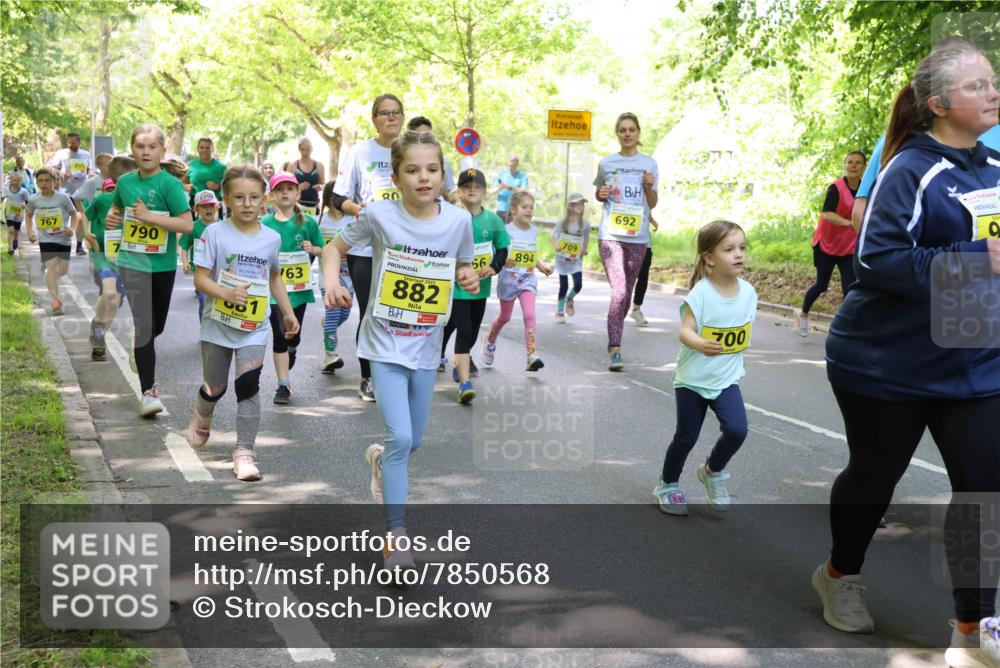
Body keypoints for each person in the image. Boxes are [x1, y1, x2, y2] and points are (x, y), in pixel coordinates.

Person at [813, 46, 1000, 668]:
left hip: (974, 362)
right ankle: (840, 574)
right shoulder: (909, 169)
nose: (994, 92)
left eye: (993, 81)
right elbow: (875, 261)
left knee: (984, 493)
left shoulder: (996, 164)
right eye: (978, 86)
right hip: (887, 363)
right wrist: (977, 261)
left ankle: (971, 633)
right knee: (874, 478)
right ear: (941, 104)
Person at [321, 131, 478, 572]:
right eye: (412, 170)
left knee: (414, 441)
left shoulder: (458, 222)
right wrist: (333, 282)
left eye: (431, 169)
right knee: (402, 437)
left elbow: (463, 265)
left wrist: (467, 277)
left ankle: (380, 460)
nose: (423, 178)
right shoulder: (379, 215)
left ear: (443, 175)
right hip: (384, 343)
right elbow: (335, 247)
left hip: (427, 346)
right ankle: (395, 537)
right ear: (396, 175)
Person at [188, 165, 299, 481]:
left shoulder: (272, 239)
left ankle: (245, 452)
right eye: (239, 197)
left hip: (254, 326)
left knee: (248, 387)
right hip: (217, 326)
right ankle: (203, 414)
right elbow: (200, 278)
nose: (247, 204)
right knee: (216, 386)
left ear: (264, 199)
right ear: (226, 199)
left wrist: (288, 312)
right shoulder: (214, 233)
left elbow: (274, 277)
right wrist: (225, 293)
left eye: (254, 197)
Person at [651, 220, 756, 515]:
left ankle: (712, 471)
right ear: (709, 258)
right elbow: (685, 331)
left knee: (737, 430)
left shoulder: (748, 292)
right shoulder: (701, 293)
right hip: (692, 380)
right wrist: (699, 343)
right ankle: (667, 485)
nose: (739, 254)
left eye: (742, 248)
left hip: (726, 379)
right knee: (686, 437)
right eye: (729, 249)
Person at [105, 123, 194, 417]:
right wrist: (112, 219)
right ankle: (149, 392)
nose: (145, 152)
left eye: (151, 147)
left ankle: (137, 344)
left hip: (163, 264)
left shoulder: (169, 184)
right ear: (132, 150)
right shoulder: (125, 182)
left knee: (157, 327)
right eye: (140, 147)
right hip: (132, 262)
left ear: (162, 151)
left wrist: (151, 217)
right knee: (145, 327)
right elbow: (115, 210)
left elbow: (186, 224)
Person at [332, 93, 405, 402]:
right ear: (374, 120)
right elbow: (338, 199)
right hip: (365, 247)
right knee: (371, 312)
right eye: (384, 113)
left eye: (396, 112)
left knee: (401, 314)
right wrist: (359, 208)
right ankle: (368, 377)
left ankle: (395, 370)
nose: (391, 117)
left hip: (403, 248)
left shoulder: (411, 150)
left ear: (403, 117)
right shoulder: (360, 151)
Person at [594, 112, 659, 371]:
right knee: (619, 291)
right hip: (610, 235)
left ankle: (614, 328)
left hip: (638, 237)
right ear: (617, 133)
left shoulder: (650, 164)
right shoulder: (607, 163)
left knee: (627, 292)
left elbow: (653, 203)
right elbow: (599, 193)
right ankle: (616, 347)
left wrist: (648, 187)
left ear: (638, 133)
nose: (628, 133)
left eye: (632, 129)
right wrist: (601, 193)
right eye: (623, 130)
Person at [441, 168, 509, 403]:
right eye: (467, 186)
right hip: (456, 286)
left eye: (477, 186)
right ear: (459, 191)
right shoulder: (450, 218)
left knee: (470, 332)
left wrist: (494, 266)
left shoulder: (493, 220)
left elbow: (502, 249)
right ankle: (463, 381)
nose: (472, 190)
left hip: (480, 286)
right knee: (465, 329)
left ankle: (455, 359)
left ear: (484, 192)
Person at [262, 171, 324, 404]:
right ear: (272, 196)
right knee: (279, 334)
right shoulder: (265, 224)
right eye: (279, 189)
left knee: (293, 337)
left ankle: (293, 350)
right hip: (273, 291)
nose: (285, 192)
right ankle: (283, 385)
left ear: (298, 193)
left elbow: (323, 249)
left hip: (299, 290)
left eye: (290, 188)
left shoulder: (306, 223)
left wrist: (313, 249)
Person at [794, 151, 866, 336]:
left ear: (864, 167)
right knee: (822, 285)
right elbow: (827, 214)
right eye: (850, 162)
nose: (853, 166)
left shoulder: (866, 189)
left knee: (849, 287)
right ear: (845, 165)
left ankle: (844, 327)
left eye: (858, 163)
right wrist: (849, 223)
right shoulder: (835, 188)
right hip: (826, 244)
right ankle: (802, 314)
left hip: (848, 247)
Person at [482, 191, 553, 372]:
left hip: (527, 280)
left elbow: (530, 253)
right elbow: (496, 252)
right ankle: (490, 339)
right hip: (509, 281)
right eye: (524, 207)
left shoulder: (534, 231)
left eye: (532, 207)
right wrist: (502, 260)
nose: (529, 211)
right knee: (504, 317)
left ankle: (531, 355)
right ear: (513, 209)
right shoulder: (506, 231)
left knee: (530, 315)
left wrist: (540, 265)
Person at [79, 173, 125, 362]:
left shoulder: (131, 204)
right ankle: (98, 333)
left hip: (125, 259)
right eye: (109, 190)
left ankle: (99, 336)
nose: (110, 194)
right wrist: (87, 234)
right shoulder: (99, 201)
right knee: (109, 295)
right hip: (102, 255)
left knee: (113, 301)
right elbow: (84, 216)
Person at [25, 168, 76, 315]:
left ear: (54, 181)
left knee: (62, 271)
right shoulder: (34, 199)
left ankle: (49, 274)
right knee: (52, 269)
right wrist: (30, 233)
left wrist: (72, 229)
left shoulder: (63, 198)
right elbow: (28, 217)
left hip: (63, 239)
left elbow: (74, 215)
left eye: (47, 180)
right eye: (40, 181)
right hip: (46, 239)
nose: (44, 183)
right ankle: (55, 302)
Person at [317, 182, 353, 374]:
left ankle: (328, 325)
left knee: (344, 313)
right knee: (333, 310)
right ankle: (329, 354)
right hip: (328, 276)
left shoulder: (351, 221)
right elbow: (315, 247)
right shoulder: (320, 221)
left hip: (349, 275)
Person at [178, 190, 222, 322]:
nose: (208, 209)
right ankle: (205, 327)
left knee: (219, 301)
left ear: (217, 206)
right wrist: (185, 262)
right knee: (204, 299)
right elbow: (185, 246)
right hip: (201, 272)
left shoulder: (223, 227)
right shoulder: (193, 227)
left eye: (211, 205)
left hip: (220, 271)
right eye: (204, 206)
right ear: (196, 208)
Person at [49, 131, 92, 254]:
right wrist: (61, 174)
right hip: (64, 191)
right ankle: (59, 244)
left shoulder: (86, 154)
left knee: (80, 218)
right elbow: (52, 169)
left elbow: (89, 170)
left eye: (73, 142)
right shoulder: (61, 154)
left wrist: (89, 175)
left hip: (80, 191)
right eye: (68, 142)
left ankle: (79, 246)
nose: (70, 144)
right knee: (63, 218)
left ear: (79, 142)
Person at [551, 193, 591, 324]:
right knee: (564, 285)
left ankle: (570, 298)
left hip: (576, 259)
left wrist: (585, 248)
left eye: (582, 204)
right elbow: (553, 236)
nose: (580, 206)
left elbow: (586, 238)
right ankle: (559, 311)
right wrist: (556, 245)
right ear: (570, 206)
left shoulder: (585, 224)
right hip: (562, 259)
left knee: (578, 284)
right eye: (577, 204)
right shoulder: (562, 223)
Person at [406, 116, 456, 198]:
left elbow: (450, 193)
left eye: (429, 136)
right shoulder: (403, 162)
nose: (426, 140)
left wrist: (441, 190)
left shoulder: (444, 162)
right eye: (421, 136)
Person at [631, 216, 659, 326]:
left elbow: (646, 208)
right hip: (626, 240)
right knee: (626, 276)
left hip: (644, 242)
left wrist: (652, 220)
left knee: (643, 276)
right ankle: (619, 304)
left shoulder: (646, 198)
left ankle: (636, 310)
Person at [186, 138, 227, 204]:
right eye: (201, 147)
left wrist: (219, 186)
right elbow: (181, 183)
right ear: (197, 149)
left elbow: (229, 187)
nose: (204, 150)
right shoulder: (189, 165)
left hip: (214, 203)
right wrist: (185, 186)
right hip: (195, 203)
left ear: (212, 150)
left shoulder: (222, 167)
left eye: (207, 148)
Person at [491, 155, 528, 223]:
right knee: (500, 232)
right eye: (509, 165)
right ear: (507, 163)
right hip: (501, 209)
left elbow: (524, 191)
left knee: (513, 232)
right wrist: (500, 188)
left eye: (513, 165)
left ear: (517, 165)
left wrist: (509, 188)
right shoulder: (501, 174)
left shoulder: (522, 176)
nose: (511, 167)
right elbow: (492, 192)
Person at [292, 138, 324, 216]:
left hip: (313, 205)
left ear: (311, 150)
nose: (305, 152)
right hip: (297, 204)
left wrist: (320, 187)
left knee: (311, 227)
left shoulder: (319, 165)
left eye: (307, 149)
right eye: (303, 149)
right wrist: (299, 188)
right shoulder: (293, 165)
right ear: (299, 149)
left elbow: (323, 184)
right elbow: (287, 187)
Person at [3, 172, 31, 255]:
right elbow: (2, 198)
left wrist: (25, 206)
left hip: (19, 214)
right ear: (11, 180)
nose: (15, 182)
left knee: (16, 230)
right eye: (14, 180)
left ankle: (15, 239)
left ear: (21, 181)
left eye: (18, 181)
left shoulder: (24, 191)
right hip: (9, 212)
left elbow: (27, 202)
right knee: (10, 230)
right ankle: (10, 247)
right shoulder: (7, 190)